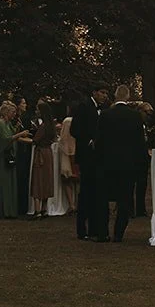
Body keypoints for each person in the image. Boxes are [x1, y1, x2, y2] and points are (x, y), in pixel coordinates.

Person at [96, 86, 147, 243]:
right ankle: (119, 233)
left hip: (107, 163)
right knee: (125, 199)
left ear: (115, 96)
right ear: (128, 97)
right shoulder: (136, 117)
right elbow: (140, 143)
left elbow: (99, 141)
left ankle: (102, 232)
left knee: (103, 198)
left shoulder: (105, 115)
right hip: (128, 164)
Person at [70, 91, 102, 240]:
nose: (104, 96)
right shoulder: (84, 106)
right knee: (86, 192)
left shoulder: (98, 107)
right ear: (95, 92)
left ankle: (92, 227)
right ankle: (82, 228)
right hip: (87, 156)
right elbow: (74, 129)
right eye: (102, 92)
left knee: (92, 192)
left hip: (94, 157)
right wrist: (88, 140)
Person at [0, 102, 27, 219]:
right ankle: (4, 210)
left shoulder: (7, 124)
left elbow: (12, 134)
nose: (14, 115)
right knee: (4, 185)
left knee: (11, 184)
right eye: (12, 112)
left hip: (10, 158)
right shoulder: (0, 125)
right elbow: (5, 140)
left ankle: (11, 210)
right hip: (3, 159)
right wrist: (20, 134)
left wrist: (17, 128)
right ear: (6, 112)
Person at [29, 111, 57, 218]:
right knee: (47, 179)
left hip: (41, 153)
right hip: (48, 153)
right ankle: (44, 208)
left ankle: (37, 210)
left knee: (38, 179)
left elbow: (35, 140)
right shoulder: (52, 127)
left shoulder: (43, 127)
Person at [57, 107, 78, 213]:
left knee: (67, 178)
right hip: (77, 151)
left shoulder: (67, 121)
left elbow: (64, 138)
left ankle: (71, 204)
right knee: (77, 179)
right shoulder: (78, 120)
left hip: (68, 151)